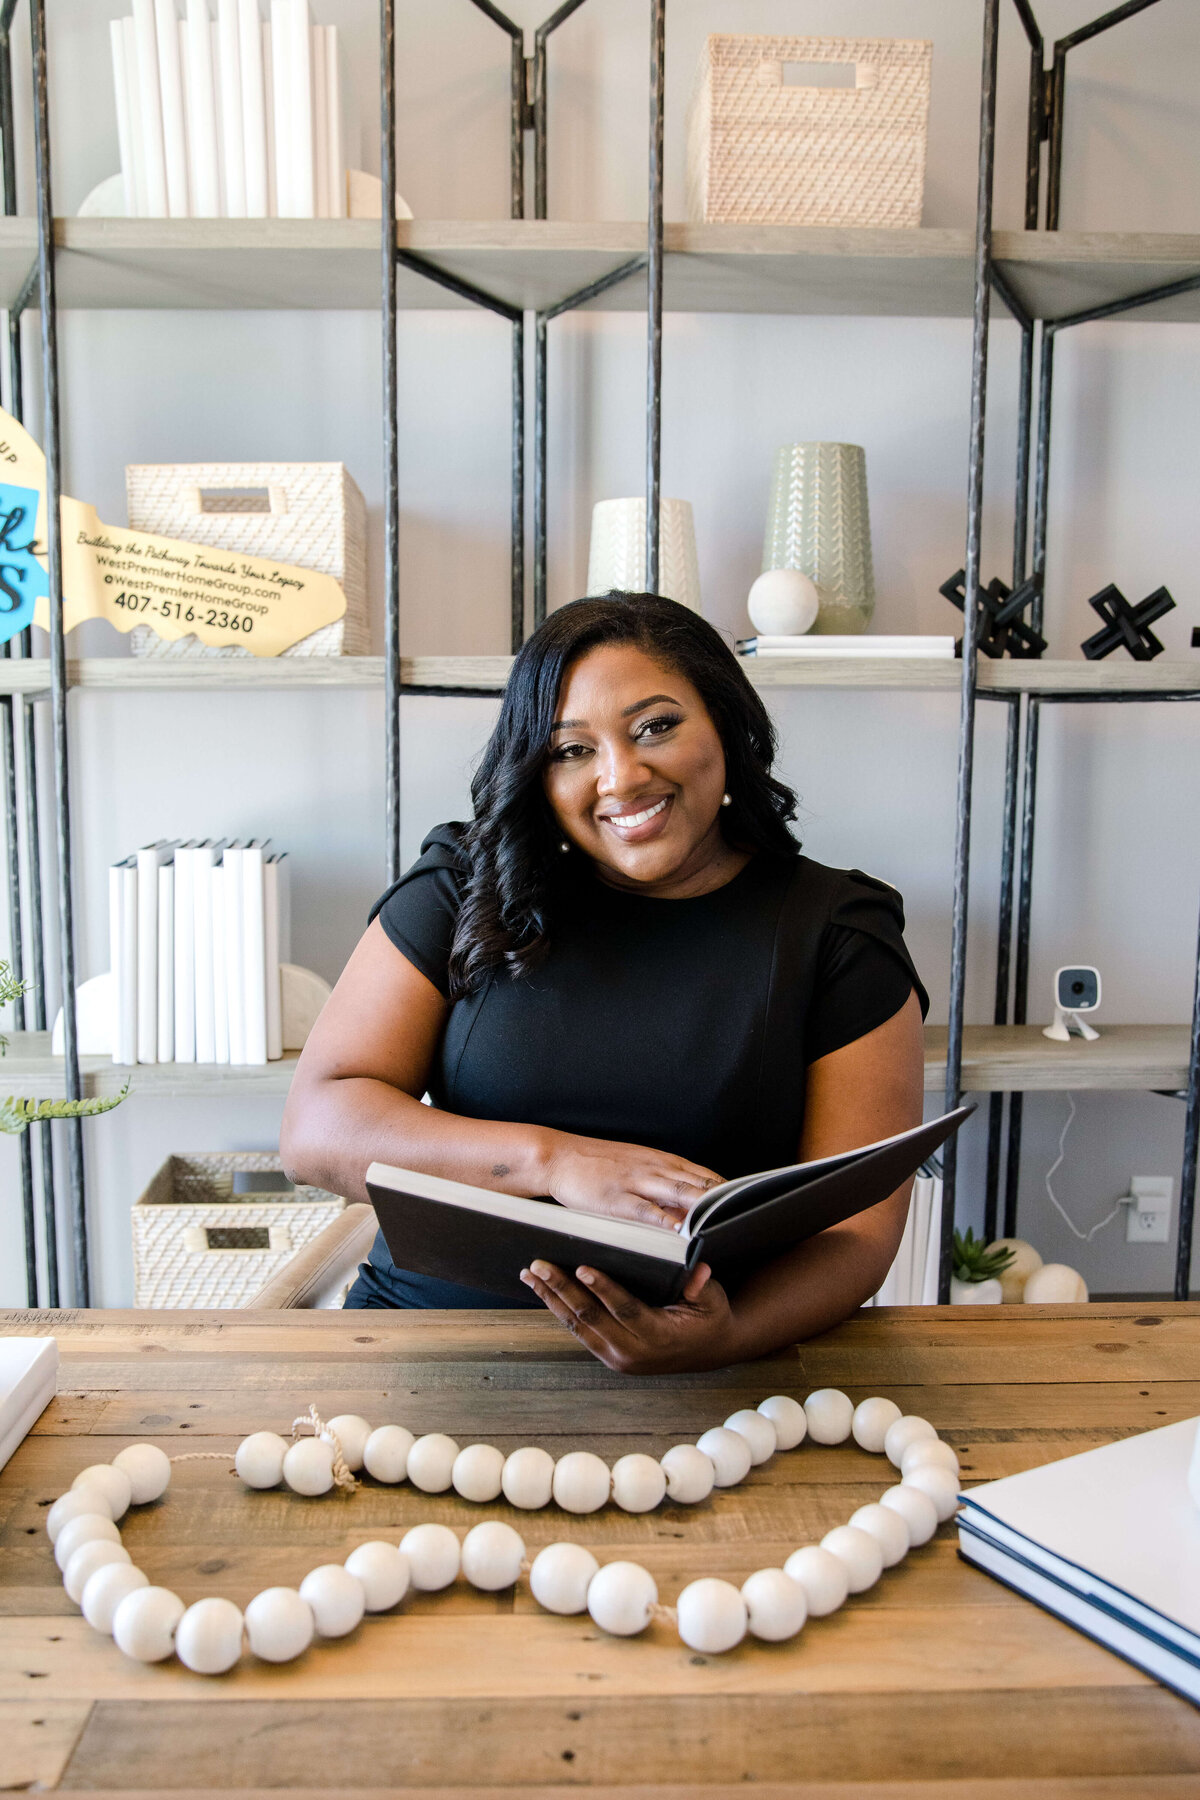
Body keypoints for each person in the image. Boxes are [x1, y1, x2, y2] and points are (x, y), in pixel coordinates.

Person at [280, 592, 927, 1374]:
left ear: (726, 724)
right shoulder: (461, 888)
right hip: (431, 1346)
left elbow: (856, 1230)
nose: (620, 778)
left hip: (713, 1363)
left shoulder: (839, 934)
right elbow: (316, 1131)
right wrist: (555, 1163)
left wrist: (729, 1335)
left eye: (656, 726)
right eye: (570, 750)